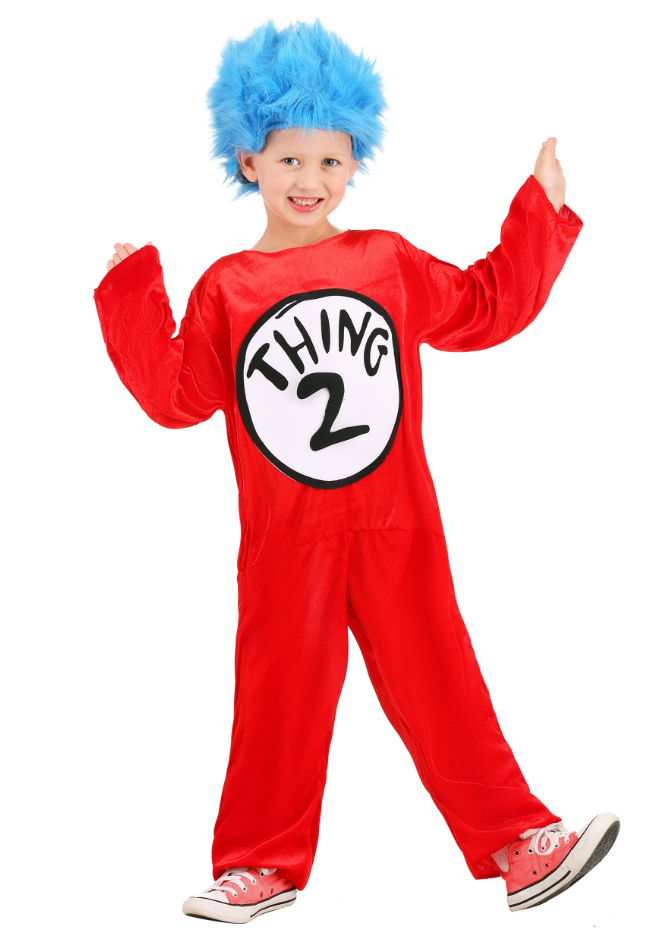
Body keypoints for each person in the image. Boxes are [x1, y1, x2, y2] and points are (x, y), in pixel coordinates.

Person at [93, 17, 619, 924]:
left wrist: (539, 210)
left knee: (440, 678)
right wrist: (132, 288)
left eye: (331, 161)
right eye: (290, 159)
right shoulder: (227, 288)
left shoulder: (386, 261)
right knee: (278, 697)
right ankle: (259, 865)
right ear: (249, 161)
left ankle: (518, 842)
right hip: (284, 536)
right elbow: (175, 398)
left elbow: (486, 306)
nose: (312, 180)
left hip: (395, 522)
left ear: (355, 162)